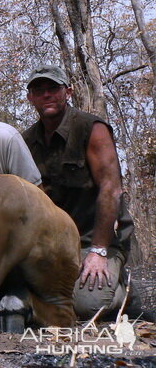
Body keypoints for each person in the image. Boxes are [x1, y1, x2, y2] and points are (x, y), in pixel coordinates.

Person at [23, 64, 137, 320]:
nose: (46, 95)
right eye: (38, 90)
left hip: (94, 241)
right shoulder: (26, 140)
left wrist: (98, 251)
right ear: (30, 98)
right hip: (54, 245)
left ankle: (123, 287)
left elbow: (111, 189)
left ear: (68, 92)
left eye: (53, 88)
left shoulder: (91, 128)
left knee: (89, 306)